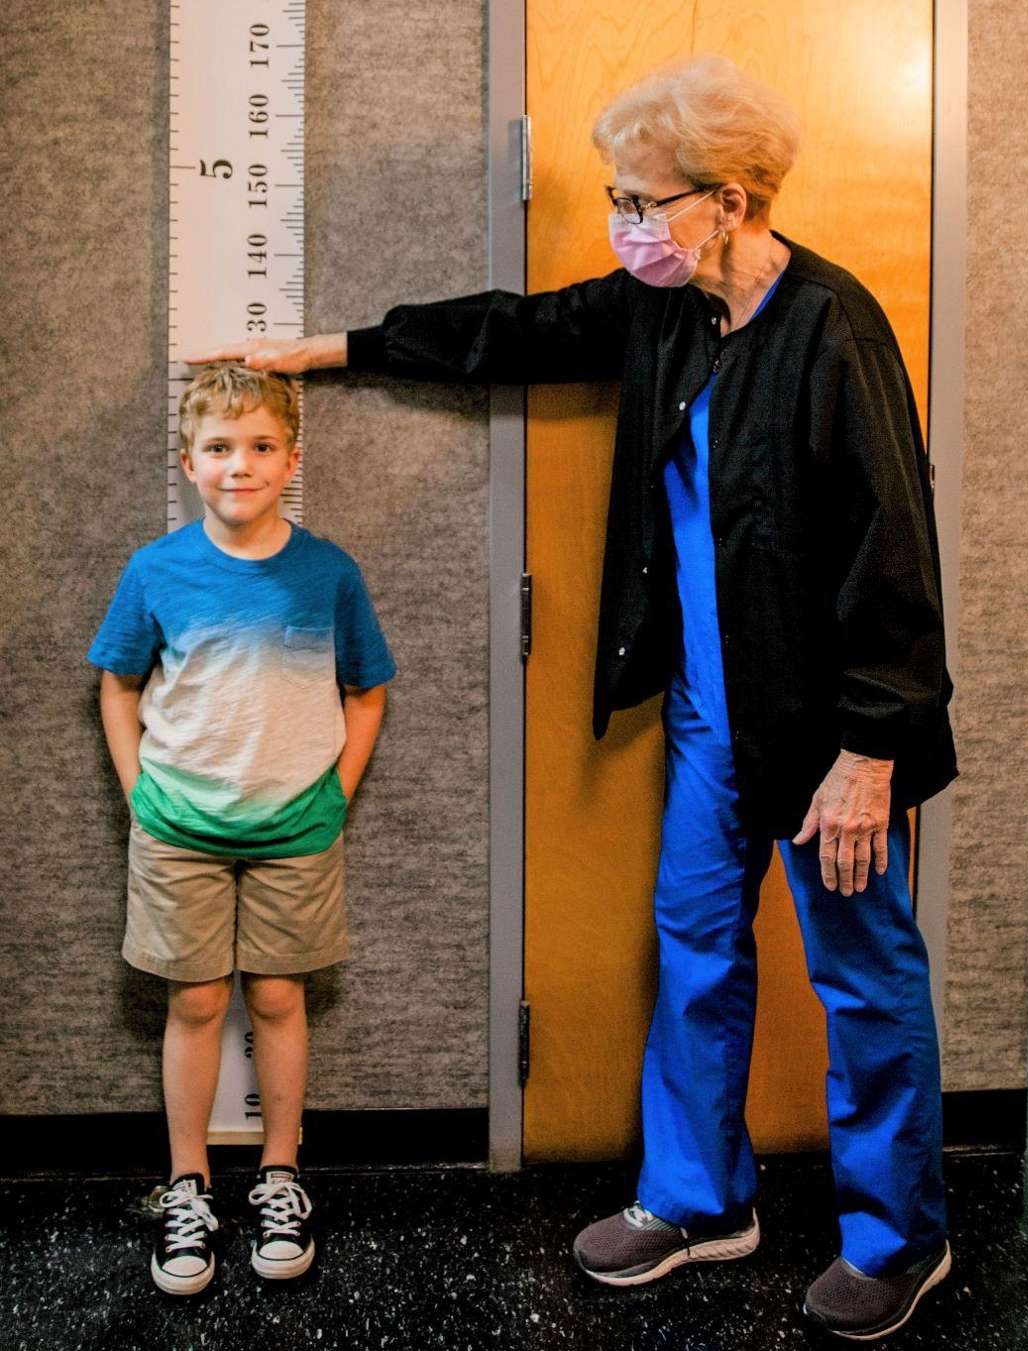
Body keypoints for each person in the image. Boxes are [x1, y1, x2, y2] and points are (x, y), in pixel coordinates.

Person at [188, 53, 958, 1342]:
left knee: (862, 975)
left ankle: (900, 1235)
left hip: (831, 737)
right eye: (617, 194)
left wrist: (871, 750)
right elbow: (524, 328)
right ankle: (699, 1200)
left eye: (644, 200)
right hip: (712, 721)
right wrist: (335, 347)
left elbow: (895, 546)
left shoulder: (832, 327)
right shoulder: (667, 311)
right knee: (695, 948)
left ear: (733, 198)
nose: (624, 223)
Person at [87, 365, 396, 1294]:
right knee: (195, 1002)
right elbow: (119, 684)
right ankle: (187, 1183)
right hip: (179, 822)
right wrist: (138, 787)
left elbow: (367, 687)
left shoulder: (330, 571)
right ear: (190, 463)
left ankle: (279, 1175)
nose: (240, 465)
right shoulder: (156, 569)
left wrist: (335, 791)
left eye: (261, 447)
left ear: (291, 460)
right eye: (220, 448)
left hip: (296, 826)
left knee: (277, 997)